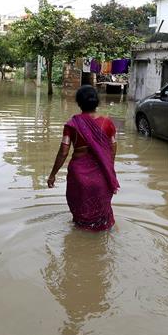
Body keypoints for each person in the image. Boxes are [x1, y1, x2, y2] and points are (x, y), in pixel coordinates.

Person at [47, 85, 119, 231]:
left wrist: (52, 175)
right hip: (102, 176)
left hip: (79, 177)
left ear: (79, 103)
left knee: (80, 216)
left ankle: (78, 240)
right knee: (102, 218)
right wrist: (109, 168)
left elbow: (63, 152)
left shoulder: (72, 124)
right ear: (97, 102)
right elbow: (113, 147)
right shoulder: (107, 123)